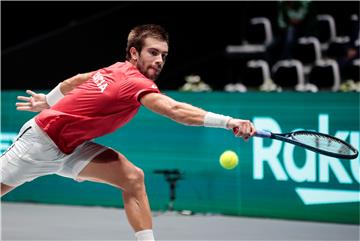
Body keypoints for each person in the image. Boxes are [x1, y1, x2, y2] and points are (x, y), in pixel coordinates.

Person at [0, 24, 256, 241]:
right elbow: (175, 110)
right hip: (39, 142)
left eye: (164, 56)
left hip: (71, 147)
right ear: (134, 53)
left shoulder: (115, 69)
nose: (159, 60)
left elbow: (76, 80)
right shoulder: (136, 82)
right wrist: (229, 121)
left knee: (133, 178)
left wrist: (49, 101)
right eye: (153, 52)